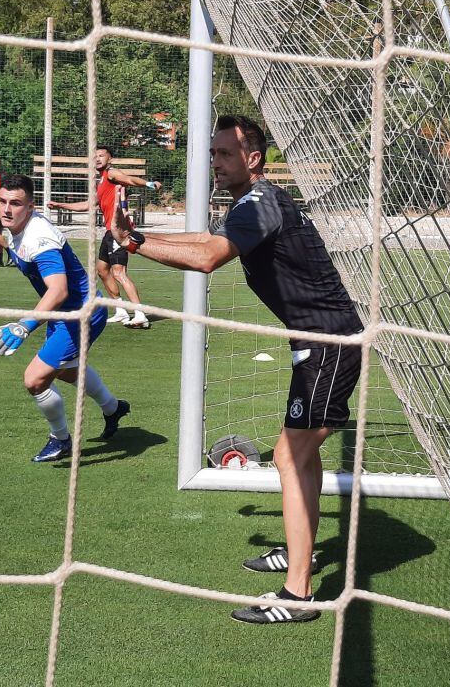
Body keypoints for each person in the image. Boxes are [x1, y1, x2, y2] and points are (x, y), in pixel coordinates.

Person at [110, 115, 362, 624]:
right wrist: (139, 234)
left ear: (253, 159)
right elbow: (205, 237)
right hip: (315, 346)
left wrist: (133, 246)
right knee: (298, 458)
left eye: (226, 154)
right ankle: (301, 556)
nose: (216, 163)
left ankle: (298, 596)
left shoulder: (262, 203)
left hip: (329, 345)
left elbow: (208, 258)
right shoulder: (253, 204)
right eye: (214, 154)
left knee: (291, 458)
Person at [0, 173, 131, 462]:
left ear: (30, 207)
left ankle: (61, 440)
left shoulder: (39, 238)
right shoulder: (14, 225)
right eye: (2, 201)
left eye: (15, 203)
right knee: (65, 370)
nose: (6, 209)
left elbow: (59, 289)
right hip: (65, 313)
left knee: (35, 380)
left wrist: (24, 326)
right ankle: (113, 407)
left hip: (81, 314)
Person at [48, 146, 162, 329]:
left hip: (120, 232)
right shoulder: (100, 182)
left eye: (101, 155)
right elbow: (89, 204)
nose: (97, 158)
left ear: (110, 159)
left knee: (119, 273)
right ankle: (121, 310)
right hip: (110, 232)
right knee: (102, 270)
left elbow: (129, 179)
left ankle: (140, 314)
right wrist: (61, 205)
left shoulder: (111, 173)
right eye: (94, 156)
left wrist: (148, 184)